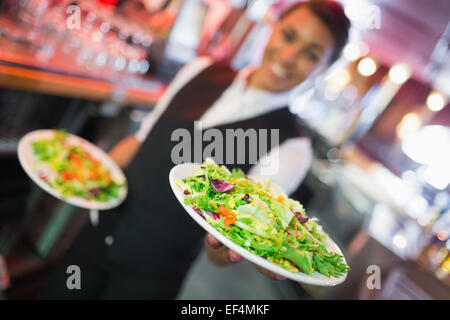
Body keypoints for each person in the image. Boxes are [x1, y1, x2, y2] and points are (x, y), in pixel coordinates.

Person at [39, 0, 350, 299]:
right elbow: (141, 140)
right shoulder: (200, 69)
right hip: (95, 235)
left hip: (149, 278)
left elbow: (227, 243)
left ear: (322, 69)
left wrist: (227, 246)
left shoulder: (292, 147)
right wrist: (80, 178)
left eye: (311, 54)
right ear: (274, 25)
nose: (289, 56)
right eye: (289, 35)